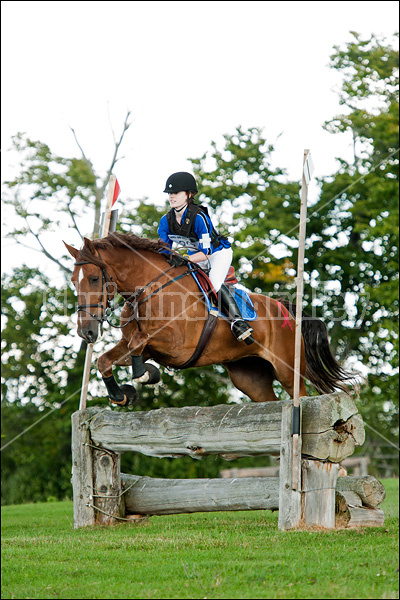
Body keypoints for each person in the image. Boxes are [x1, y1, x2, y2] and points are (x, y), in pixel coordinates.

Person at [158, 171, 254, 344]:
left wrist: (185, 258)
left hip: (217, 254)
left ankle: (239, 322)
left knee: (214, 283)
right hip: (194, 257)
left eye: (176, 193)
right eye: (170, 193)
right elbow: (164, 250)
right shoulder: (166, 221)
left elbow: (206, 252)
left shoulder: (199, 217)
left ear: (189, 195)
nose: (172, 196)